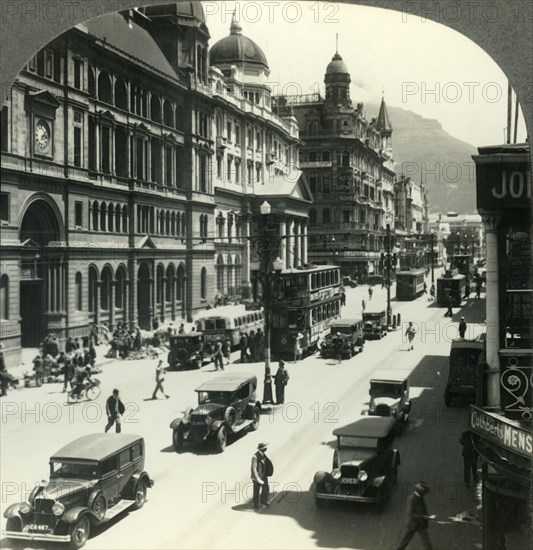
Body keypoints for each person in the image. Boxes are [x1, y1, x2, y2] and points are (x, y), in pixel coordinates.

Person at [395, 482, 434, 550]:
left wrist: (428, 515)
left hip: (421, 524)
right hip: (413, 524)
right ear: (420, 491)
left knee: (426, 542)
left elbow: (422, 509)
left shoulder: (420, 497)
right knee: (404, 542)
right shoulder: (412, 499)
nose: (425, 493)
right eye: (424, 491)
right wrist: (423, 516)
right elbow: (411, 514)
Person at [251, 442, 274, 509]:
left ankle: (264, 501)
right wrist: (257, 479)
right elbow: (254, 469)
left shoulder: (263, 454)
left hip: (264, 475)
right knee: (256, 491)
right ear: (262, 449)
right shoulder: (255, 457)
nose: (266, 448)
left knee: (266, 488)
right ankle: (256, 504)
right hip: (257, 477)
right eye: (265, 447)